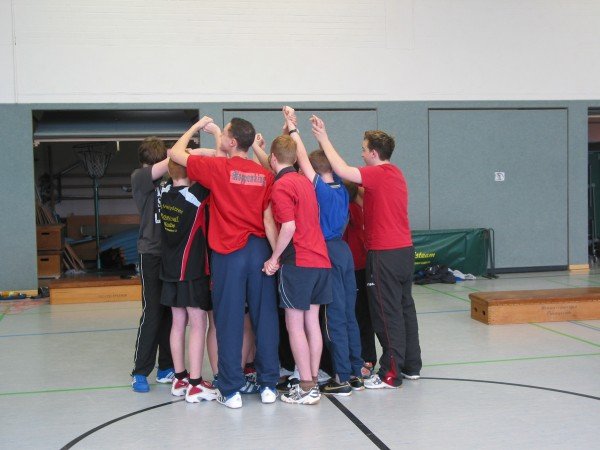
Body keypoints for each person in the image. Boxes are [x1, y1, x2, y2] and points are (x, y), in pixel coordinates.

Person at [169, 116, 280, 409]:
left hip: (229, 253)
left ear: (231, 142)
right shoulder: (264, 175)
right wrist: (275, 255)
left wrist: (194, 128)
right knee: (265, 318)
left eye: (224, 133)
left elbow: (175, 154)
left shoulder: (219, 168)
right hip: (259, 250)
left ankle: (230, 390)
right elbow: (269, 218)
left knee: (228, 321)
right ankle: (269, 385)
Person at [311, 116, 422, 389]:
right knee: (405, 308)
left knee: (386, 313)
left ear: (373, 153)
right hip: (404, 251)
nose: (361, 154)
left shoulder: (378, 173)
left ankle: (390, 373)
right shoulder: (395, 173)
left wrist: (323, 137)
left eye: (363, 149)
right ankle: (411, 365)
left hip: (384, 253)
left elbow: (341, 169)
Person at [282, 107, 363, 396]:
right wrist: (322, 137)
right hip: (344, 251)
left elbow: (303, 159)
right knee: (349, 313)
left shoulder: (320, 189)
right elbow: (322, 161)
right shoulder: (342, 188)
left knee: (333, 317)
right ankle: (355, 371)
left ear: (314, 172)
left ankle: (340, 375)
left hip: (327, 251)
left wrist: (293, 129)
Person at [264, 131, 332, 405]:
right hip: (321, 261)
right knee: (312, 323)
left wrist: (274, 258)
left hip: (299, 262)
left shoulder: (281, 186)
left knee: (294, 325)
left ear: (272, 158)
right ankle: (312, 380)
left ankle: (305, 387)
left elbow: (289, 227)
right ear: (294, 159)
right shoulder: (306, 181)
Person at [159, 159, 217, 403]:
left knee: (177, 323)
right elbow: (215, 165)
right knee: (198, 324)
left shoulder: (164, 193)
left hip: (169, 270)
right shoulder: (194, 196)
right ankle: (195, 384)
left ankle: (179, 378)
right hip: (191, 271)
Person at [130, 137, 174, 393]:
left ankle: (166, 367)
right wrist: (177, 150)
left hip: (170, 254)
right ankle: (140, 371)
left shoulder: (168, 180)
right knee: (152, 312)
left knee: (170, 311)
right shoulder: (140, 177)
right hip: (150, 253)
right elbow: (168, 163)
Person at [343, 181, 377, 375]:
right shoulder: (361, 207)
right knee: (362, 314)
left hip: (357, 267)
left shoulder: (352, 209)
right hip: (360, 265)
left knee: (359, 314)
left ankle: (366, 358)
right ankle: (366, 357)